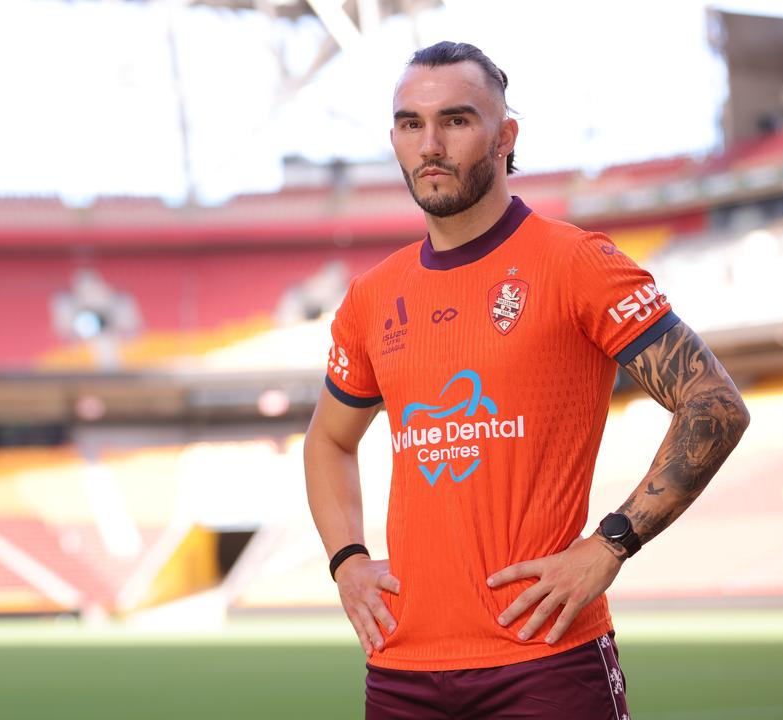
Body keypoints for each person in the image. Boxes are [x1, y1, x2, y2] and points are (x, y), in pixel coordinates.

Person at [304, 41, 749, 719]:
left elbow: (713, 403)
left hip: (546, 660)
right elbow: (328, 441)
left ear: (505, 136)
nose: (430, 145)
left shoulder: (576, 263)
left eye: (456, 120)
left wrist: (611, 543)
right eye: (410, 123)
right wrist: (347, 561)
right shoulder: (372, 296)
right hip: (400, 668)